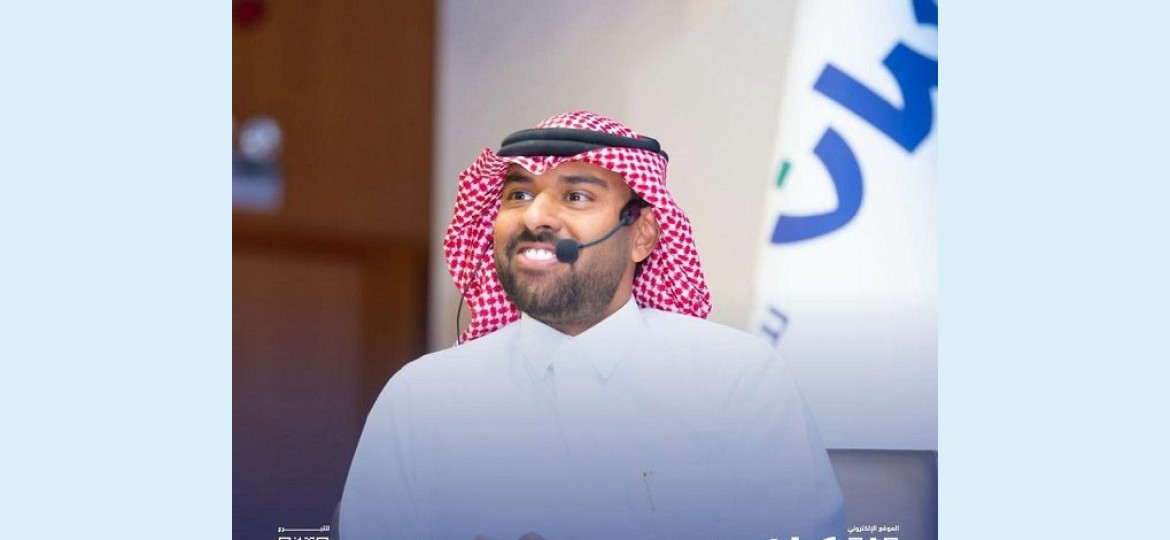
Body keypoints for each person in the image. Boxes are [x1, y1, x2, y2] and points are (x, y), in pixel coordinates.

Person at [340, 111, 844, 539]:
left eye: (576, 196)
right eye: (518, 195)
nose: (535, 217)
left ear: (641, 235)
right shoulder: (422, 398)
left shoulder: (739, 381)